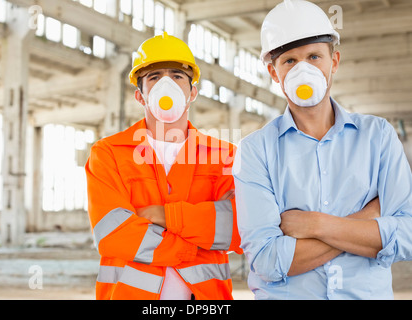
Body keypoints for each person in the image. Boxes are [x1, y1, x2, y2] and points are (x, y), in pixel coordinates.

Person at [233, 0, 412, 299]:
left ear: (335, 61)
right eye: (289, 61)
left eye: (314, 56)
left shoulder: (379, 136)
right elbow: (266, 260)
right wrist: (365, 221)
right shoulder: (255, 151)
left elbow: (406, 237)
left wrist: (316, 225)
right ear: (274, 73)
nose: (303, 70)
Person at [85, 32, 242, 300]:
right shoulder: (108, 154)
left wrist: (162, 215)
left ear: (192, 92)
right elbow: (113, 234)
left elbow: (238, 230)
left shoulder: (225, 155)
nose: (165, 84)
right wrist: (195, 242)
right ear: (140, 95)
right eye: (154, 77)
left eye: (177, 76)